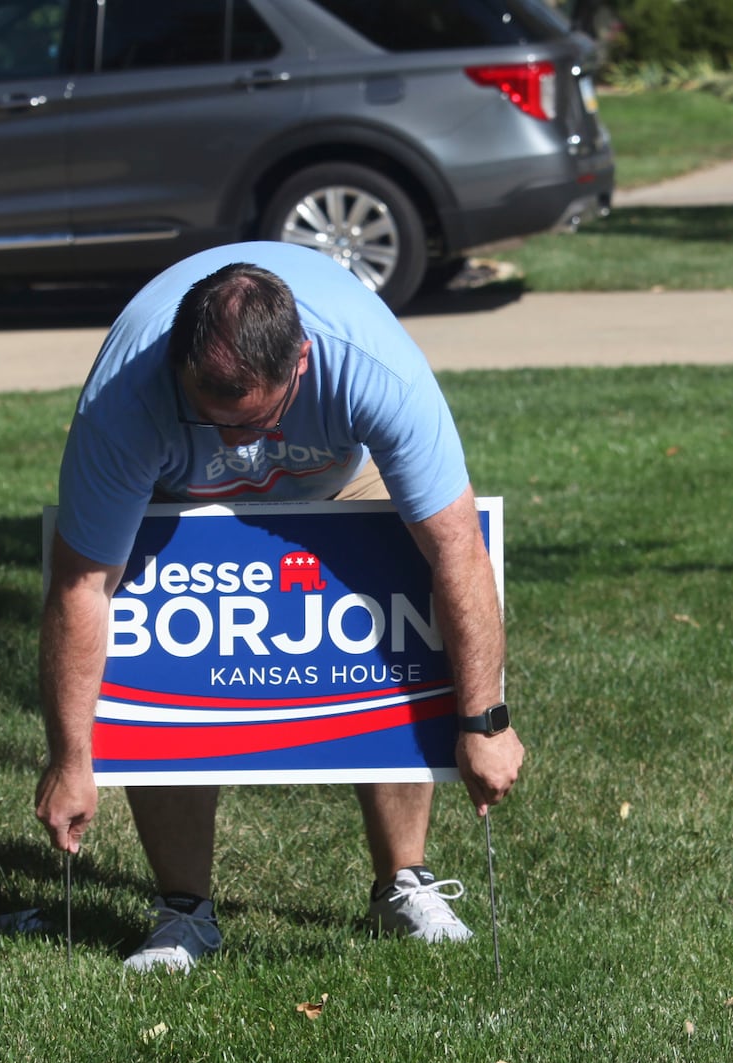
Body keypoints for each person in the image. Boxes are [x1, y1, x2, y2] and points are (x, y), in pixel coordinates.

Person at [35, 241, 524, 973]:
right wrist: (72, 759)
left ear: (302, 361)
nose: (243, 447)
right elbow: (82, 586)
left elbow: (457, 548)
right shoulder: (127, 400)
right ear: (181, 368)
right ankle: (184, 913)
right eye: (221, 423)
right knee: (165, 656)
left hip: (337, 488)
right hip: (175, 500)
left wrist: (486, 721)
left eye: (260, 421)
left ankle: (403, 882)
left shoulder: (371, 362)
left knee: (393, 613)